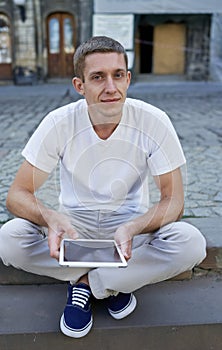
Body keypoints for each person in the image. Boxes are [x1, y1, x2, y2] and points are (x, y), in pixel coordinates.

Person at [0, 36, 206, 338]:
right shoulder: (59, 122)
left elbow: (173, 201)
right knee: (8, 238)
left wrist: (133, 227)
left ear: (128, 78)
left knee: (190, 242)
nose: (111, 87)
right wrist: (52, 219)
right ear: (79, 85)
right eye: (98, 77)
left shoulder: (153, 121)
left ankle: (89, 285)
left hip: (129, 230)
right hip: (74, 228)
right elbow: (17, 195)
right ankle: (115, 283)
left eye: (118, 75)